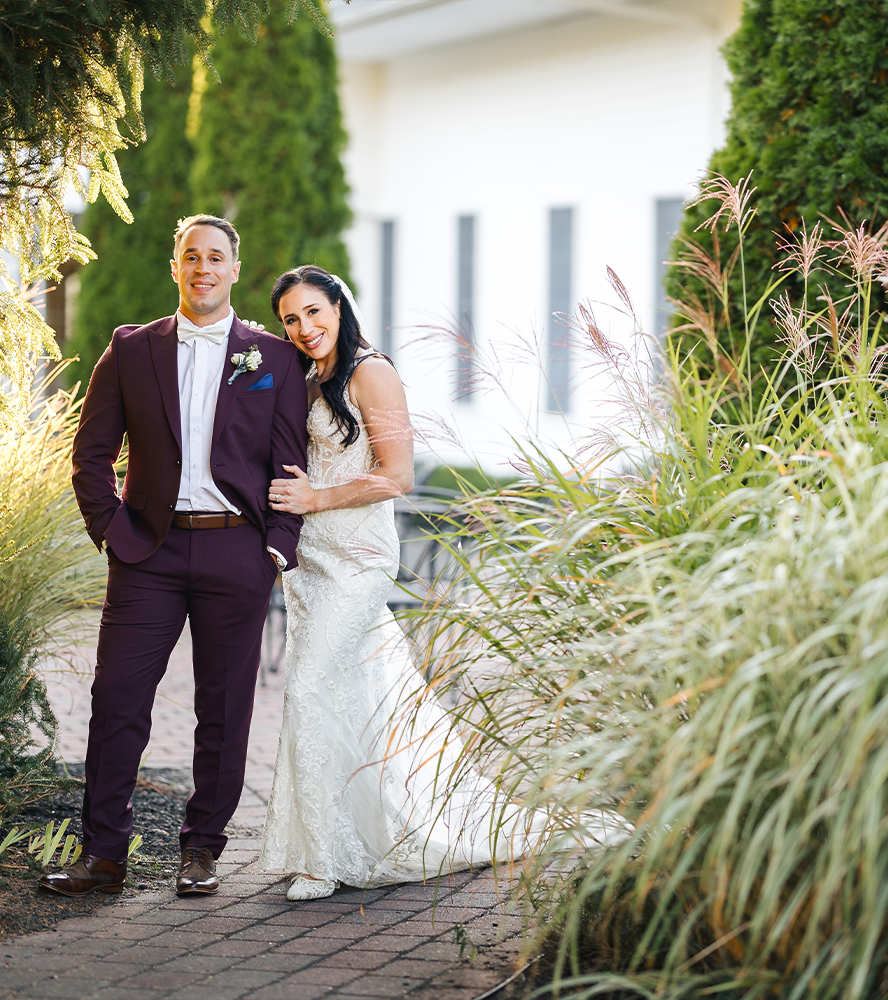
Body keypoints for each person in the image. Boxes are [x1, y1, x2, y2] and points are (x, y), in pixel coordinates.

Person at [261, 265, 595, 901]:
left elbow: (399, 475)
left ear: (339, 305)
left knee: (305, 691)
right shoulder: (309, 377)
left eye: (313, 311)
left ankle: (322, 861)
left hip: (358, 559)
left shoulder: (371, 371)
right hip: (312, 563)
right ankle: (357, 832)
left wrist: (315, 497)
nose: (305, 328)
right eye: (291, 320)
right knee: (346, 696)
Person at [42, 215, 309, 899]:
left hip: (236, 552)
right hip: (148, 554)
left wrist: (276, 549)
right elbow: (90, 454)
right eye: (191, 257)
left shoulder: (272, 359)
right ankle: (103, 856)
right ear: (175, 268)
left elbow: (289, 459)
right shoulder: (132, 350)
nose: (202, 268)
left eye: (215, 257)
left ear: (232, 270)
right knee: (117, 700)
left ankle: (202, 851)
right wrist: (111, 531)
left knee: (225, 709)